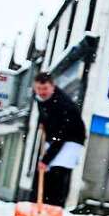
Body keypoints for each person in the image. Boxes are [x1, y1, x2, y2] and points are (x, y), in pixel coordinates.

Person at [32, 72, 87, 208]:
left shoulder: (62, 104)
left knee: (57, 172)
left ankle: (54, 207)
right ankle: (38, 205)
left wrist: (46, 160)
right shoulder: (40, 99)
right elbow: (44, 113)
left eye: (45, 89)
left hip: (72, 139)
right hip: (55, 137)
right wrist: (42, 121)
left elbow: (61, 136)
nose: (42, 92)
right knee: (43, 172)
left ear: (52, 86)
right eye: (38, 89)